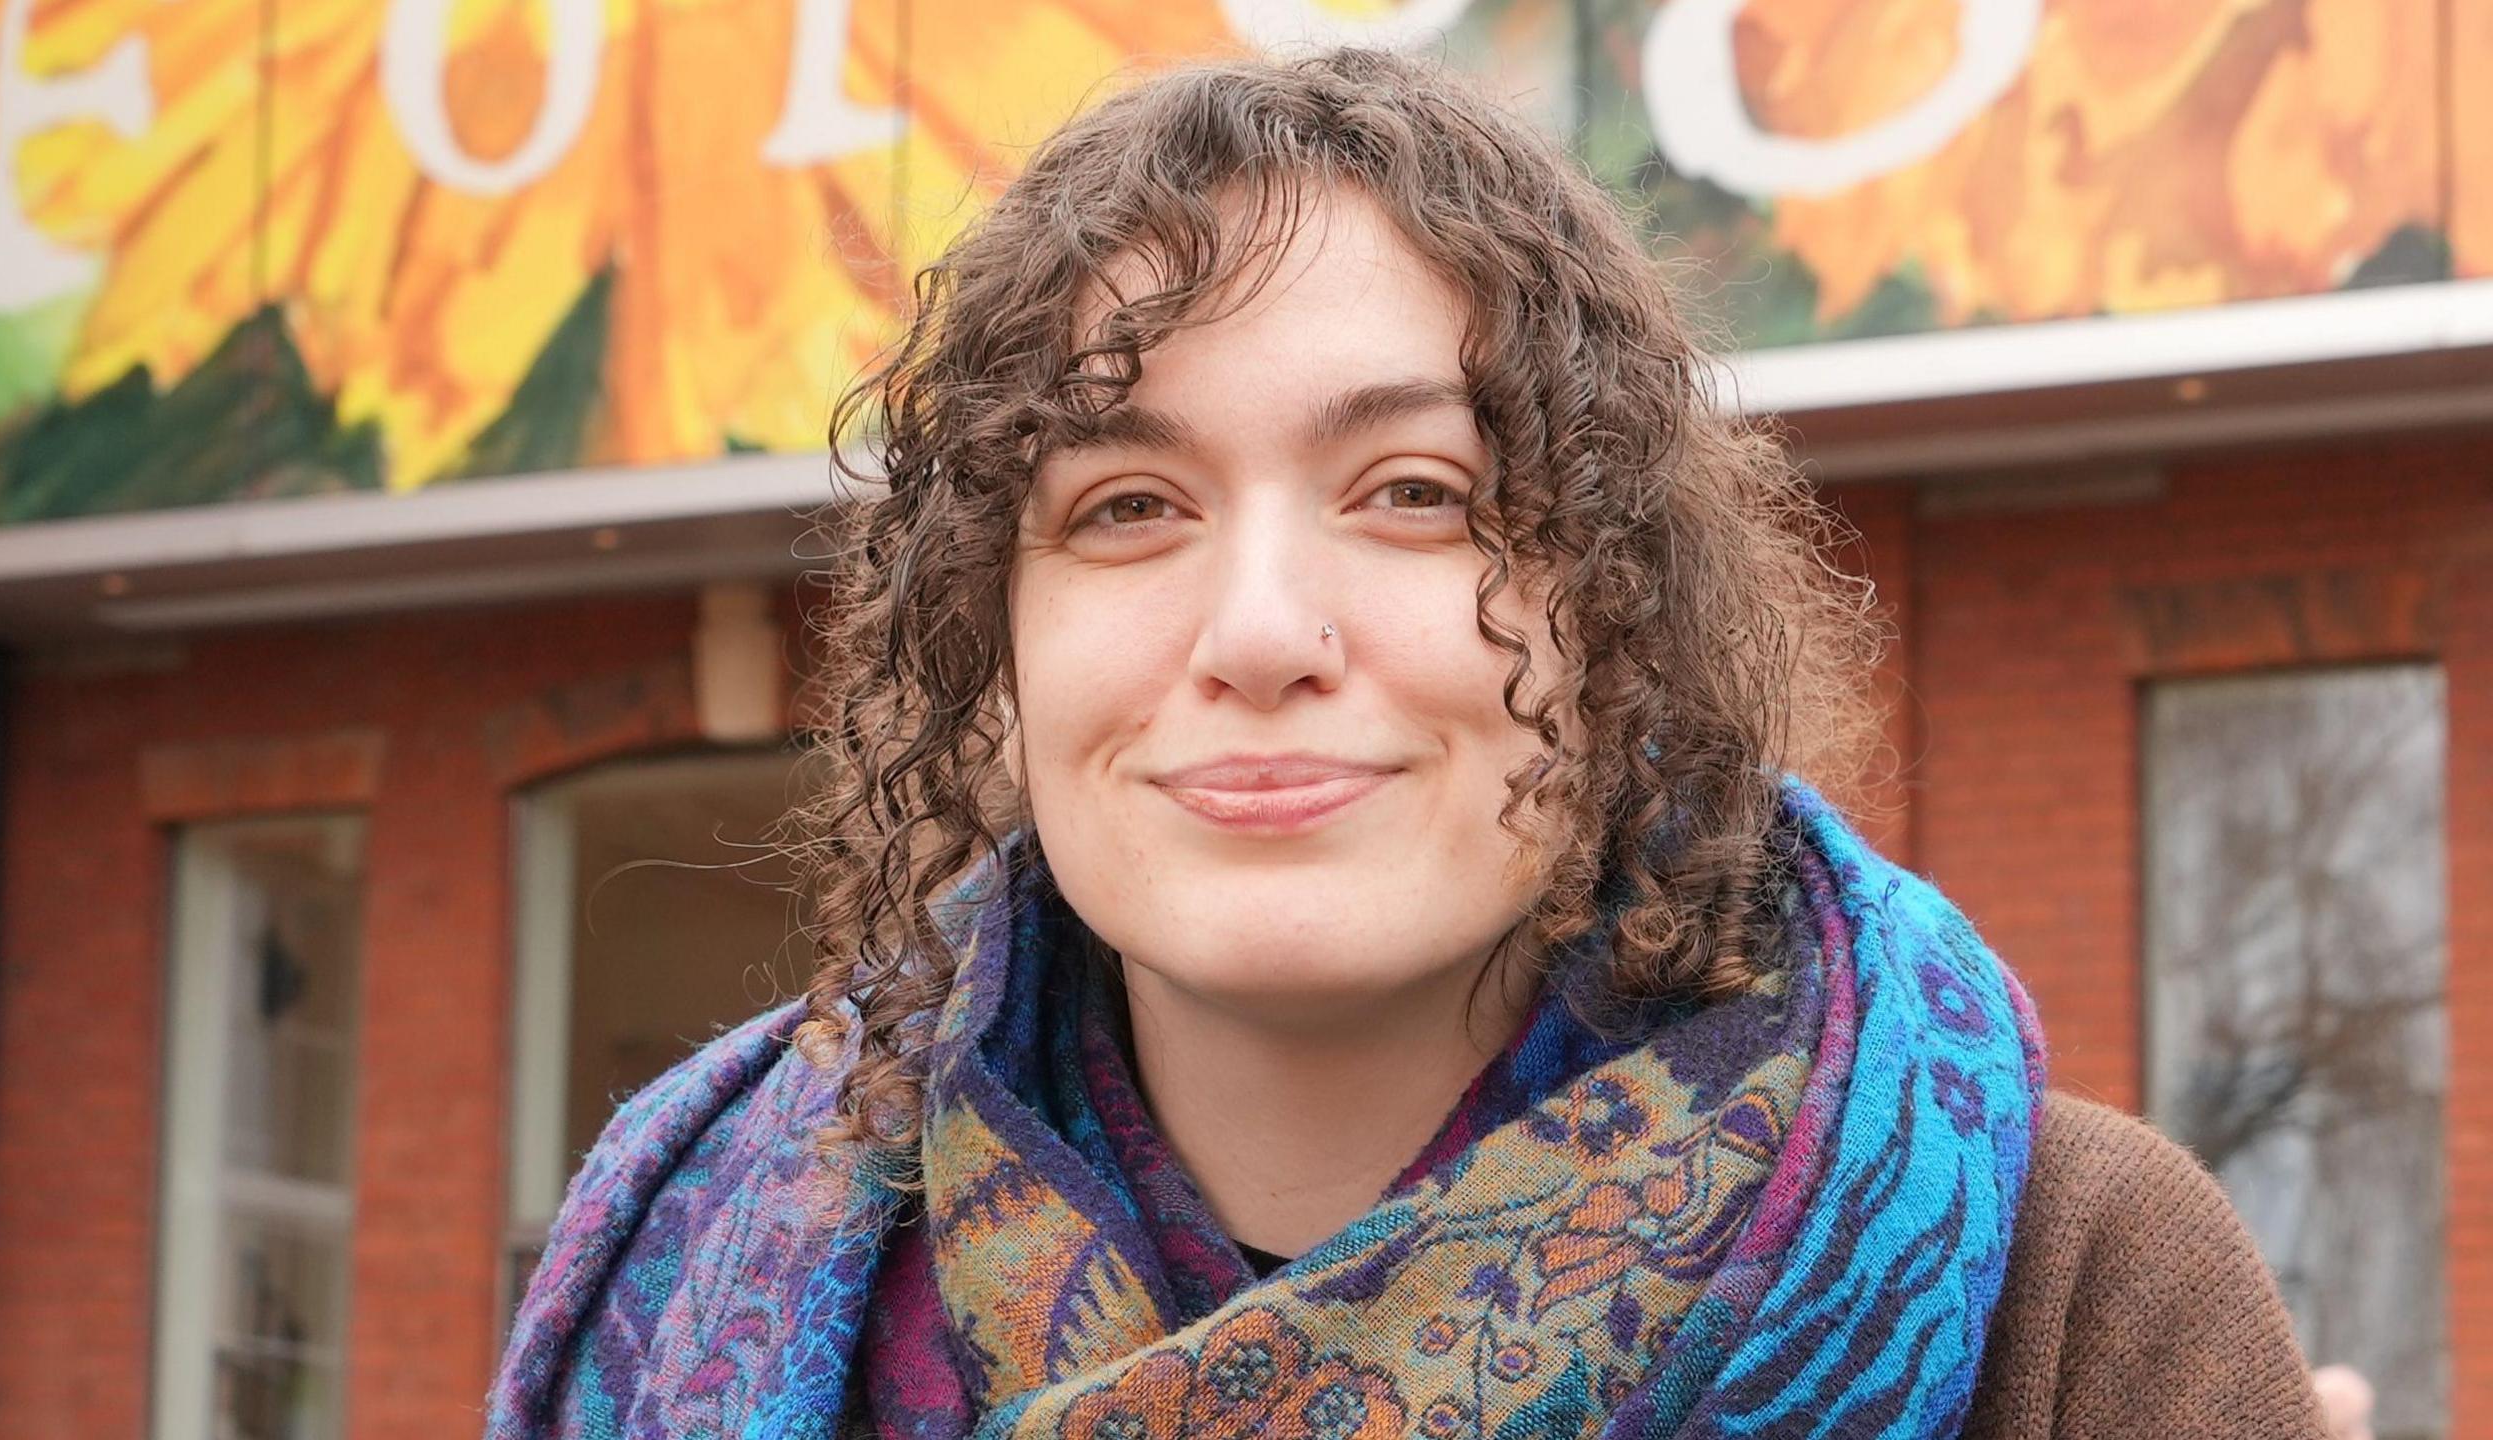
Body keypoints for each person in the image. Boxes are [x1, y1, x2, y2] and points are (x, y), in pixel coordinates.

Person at [485, 47, 2326, 1440]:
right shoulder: (697, 1254)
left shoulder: (2063, 1286)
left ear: (1623, 604)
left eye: (1420, 493)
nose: (1264, 629)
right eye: (1126, 505)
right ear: (996, 643)